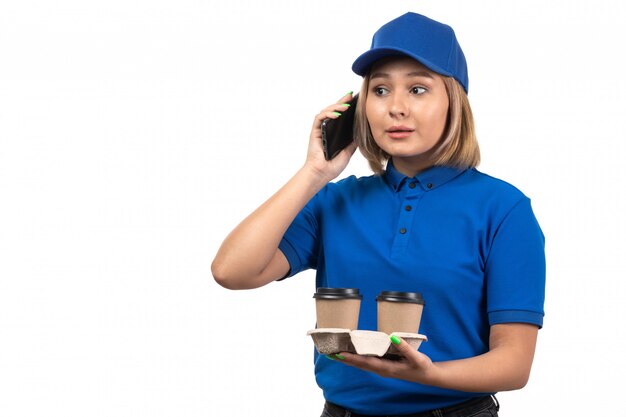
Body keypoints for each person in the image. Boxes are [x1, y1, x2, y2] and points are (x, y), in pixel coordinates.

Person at [212, 11, 545, 417]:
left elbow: (514, 363)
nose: (396, 107)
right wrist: (314, 173)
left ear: (454, 103)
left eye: (418, 89)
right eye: (381, 90)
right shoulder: (334, 201)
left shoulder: (503, 209)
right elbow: (232, 271)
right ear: (360, 107)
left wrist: (426, 374)